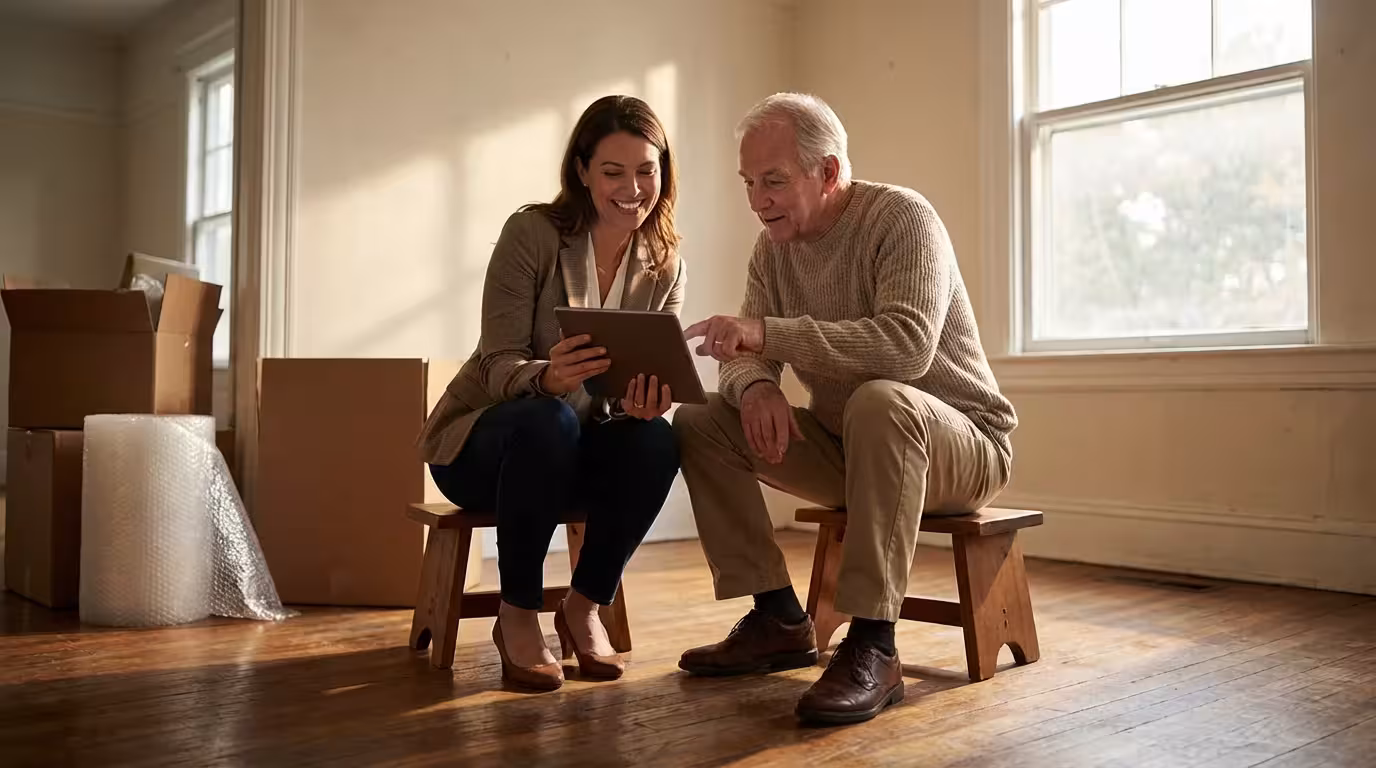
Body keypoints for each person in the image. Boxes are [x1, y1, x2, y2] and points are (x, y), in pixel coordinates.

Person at [673, 92, 1017, 725]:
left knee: (879, 400)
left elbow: (905, 347)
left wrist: (767, 335)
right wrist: (757, 386)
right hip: (851, 443)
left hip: (963, 445)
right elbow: (746, 353)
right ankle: (778, 617)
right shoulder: (772, 248)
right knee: (700, 419)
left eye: (773, 180)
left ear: (827, 171)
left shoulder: (903, 218)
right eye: (749, 182)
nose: (757, 200)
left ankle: (874, 644)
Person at [418, 95, 685, 691]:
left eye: (646, 171)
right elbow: (495, 362)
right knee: (547, 419)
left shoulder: (665, 262)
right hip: (486, 451)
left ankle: (583, 606)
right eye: (613, 172)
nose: (632, 189)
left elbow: (628, 387)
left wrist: (641, 402)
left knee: (657, 441)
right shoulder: (533, 234)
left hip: (576, 453)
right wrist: (546, 378)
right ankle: (517, 612)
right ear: (582, 171)